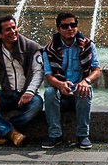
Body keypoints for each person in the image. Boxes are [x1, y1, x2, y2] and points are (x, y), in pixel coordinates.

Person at [0, 16, 44, 146]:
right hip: (6, 95)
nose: (13, 31)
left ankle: (5, 130)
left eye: (14, 27)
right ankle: (12, 133)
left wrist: (30, 92)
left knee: (37, 103)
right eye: (8, 29)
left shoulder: (31, 47)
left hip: (26, 94)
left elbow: (39, 72)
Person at [41, 11, 101, 150]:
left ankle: (83, 135)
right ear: (58, 29)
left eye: (73, 25)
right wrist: (60, 84)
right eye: (65, 26)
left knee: (85, 91)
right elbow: (49, 77)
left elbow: (96, 71)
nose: (70, 29)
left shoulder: (88, 45)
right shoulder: (49, 49)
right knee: (49, 92)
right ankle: (55, 135)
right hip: (60, 89)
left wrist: (86, 81)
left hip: (79, 88)